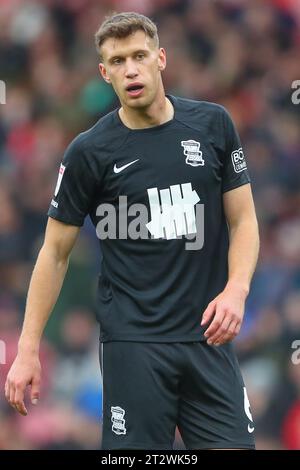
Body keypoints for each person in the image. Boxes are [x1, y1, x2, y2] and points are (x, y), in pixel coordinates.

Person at [5, 12, 260, 450]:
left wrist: (236, 289)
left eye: (139, 56)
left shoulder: (213, 126)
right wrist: (27, 348)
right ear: (104, 73)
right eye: (118, 61)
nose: (131, 69)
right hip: (133, 346)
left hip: (208, 341)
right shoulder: (89, 152)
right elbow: (54, 253)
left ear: (160, 58)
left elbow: (243, 220)